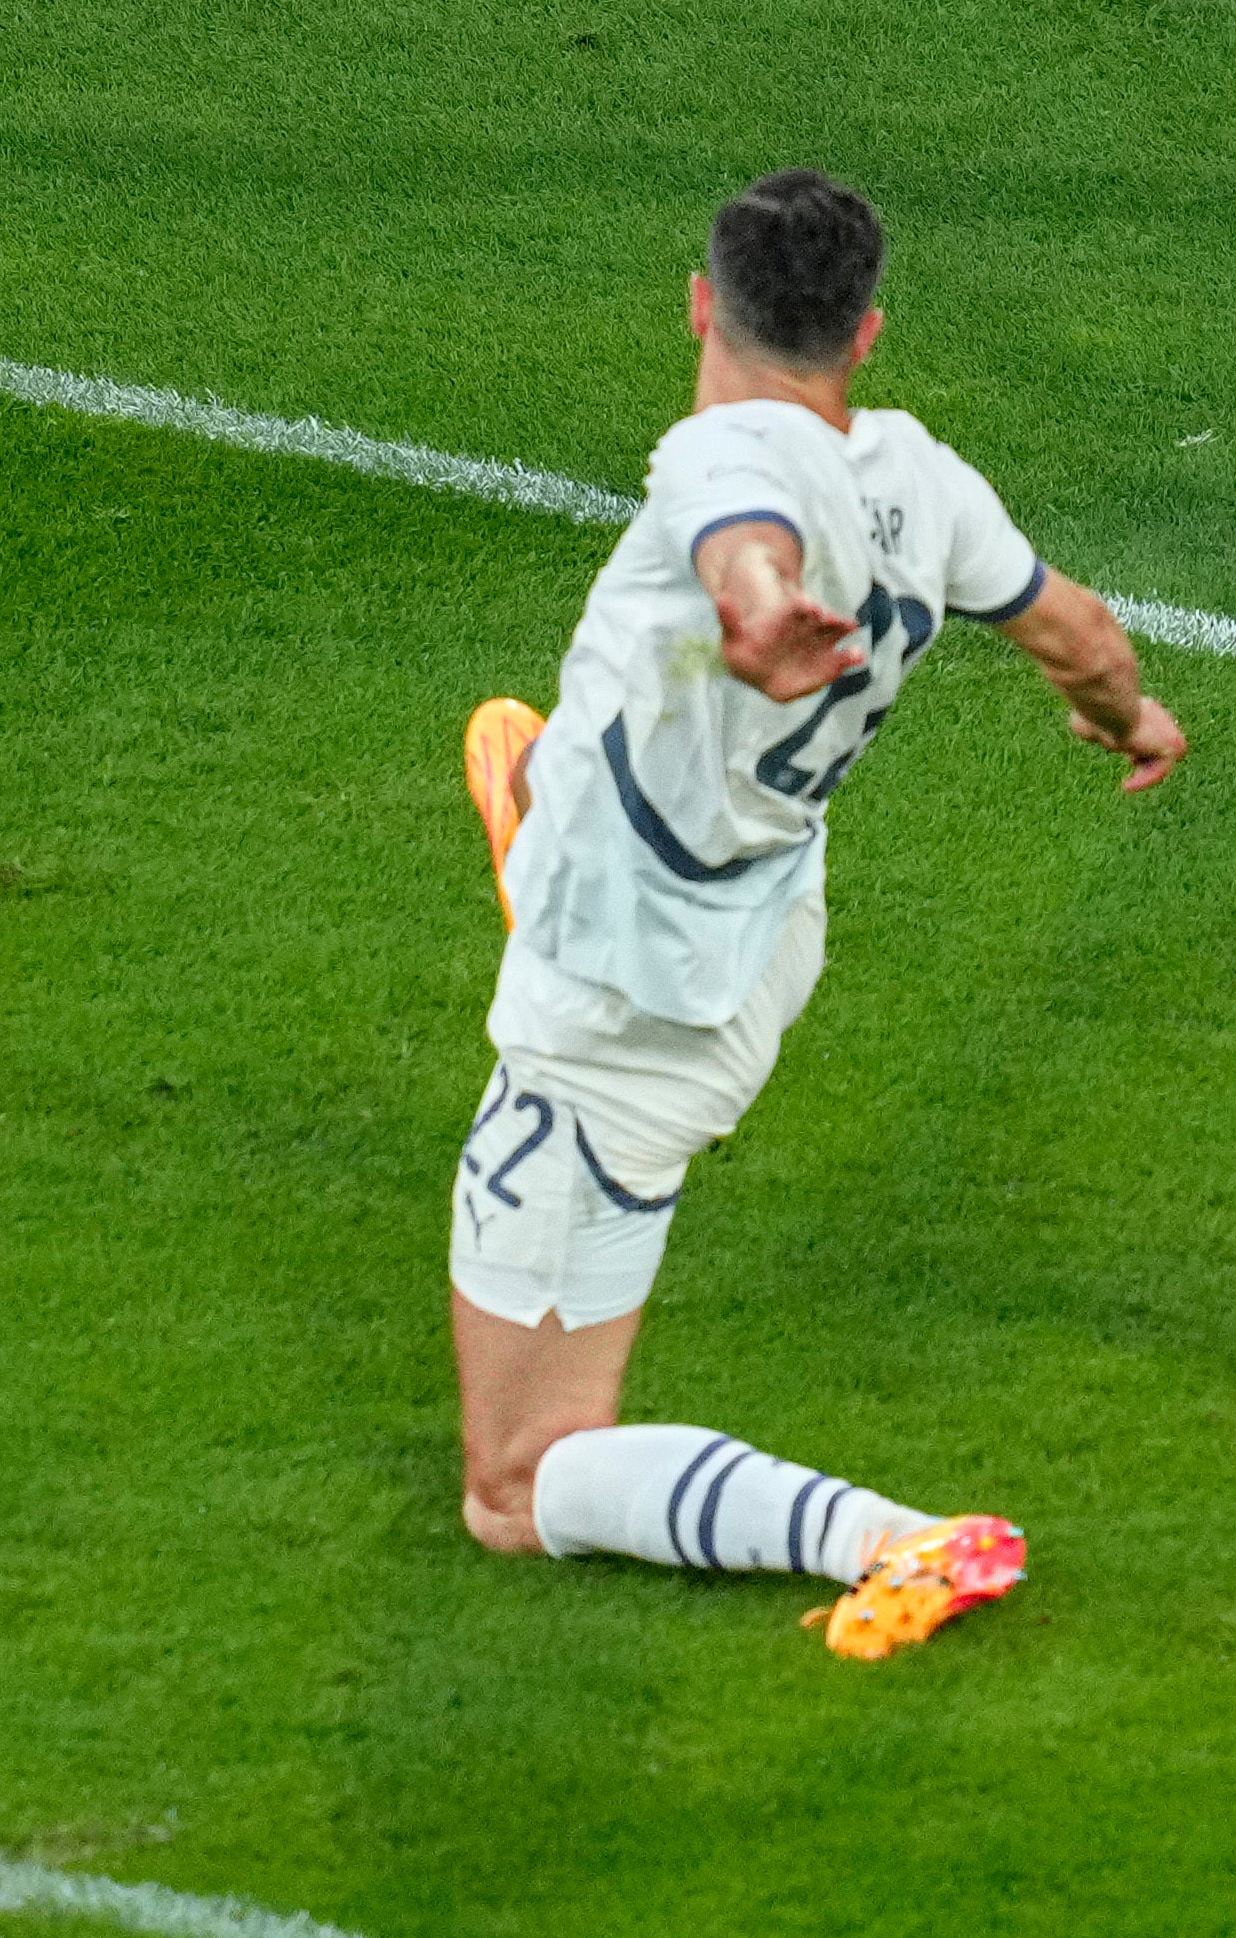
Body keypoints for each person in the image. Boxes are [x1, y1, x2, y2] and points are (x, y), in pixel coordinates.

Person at [450, 169, 1181, 1643]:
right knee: (603, 770)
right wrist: (1128, 718)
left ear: (702, 306)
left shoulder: (712, 460)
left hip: (621, 1003)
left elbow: (741, 525)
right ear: (866, 338)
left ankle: (892, 1538)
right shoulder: (924, 478)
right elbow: (1078, 632)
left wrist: (757, 606)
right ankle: (547, 824)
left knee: (514, 1491)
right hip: (766, 928)